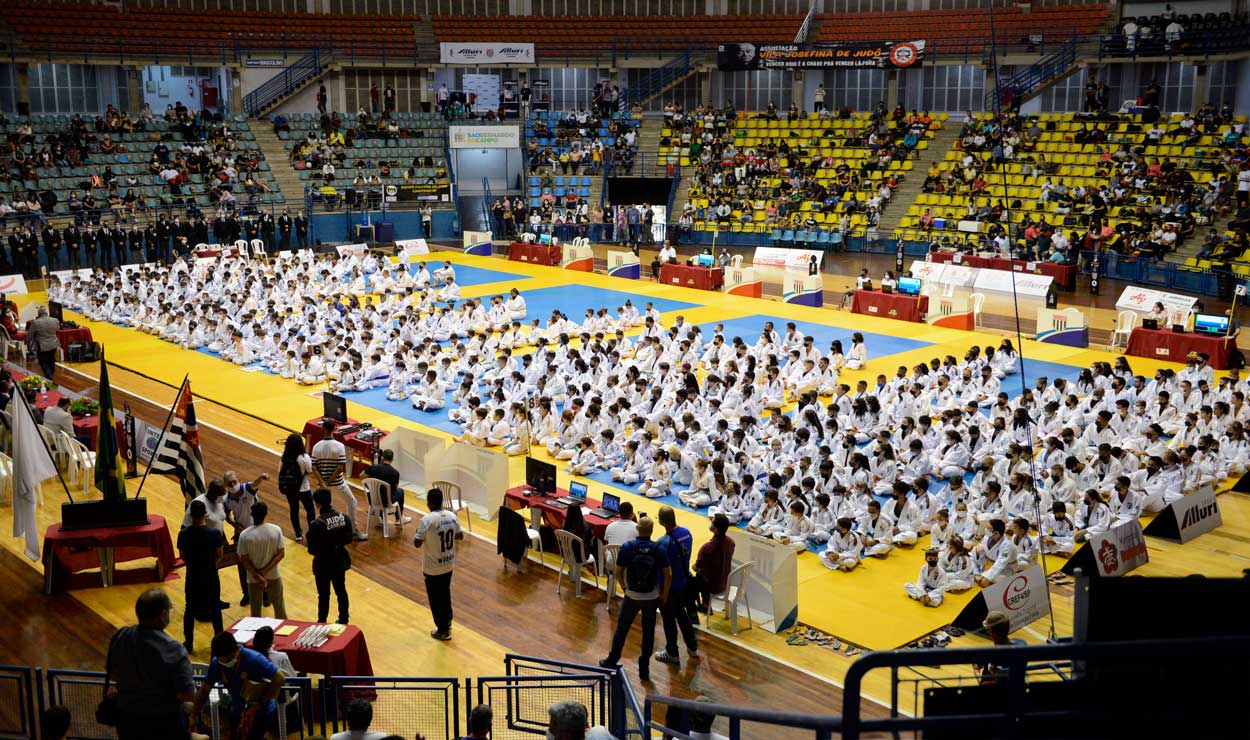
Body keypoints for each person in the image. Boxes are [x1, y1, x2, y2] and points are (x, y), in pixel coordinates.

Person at [105, 589, 201, 739]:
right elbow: (187, 694)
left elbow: (113, 674)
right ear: (163, 615)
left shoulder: (121, 636)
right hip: (164, 726)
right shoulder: (174, 649)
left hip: (127, 721)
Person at [600, 516, 670, 682]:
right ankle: (644, 668)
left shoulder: (628, 547)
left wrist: (625, 588)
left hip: (632, 595)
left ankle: (612, 660)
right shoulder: (658, 549)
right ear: (652, 531)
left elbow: (618, 571)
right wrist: (663, 595)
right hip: (651, 597)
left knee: (621, 629)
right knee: (648, 632)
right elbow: (668, 575)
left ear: (638, 529)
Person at [193, 632, 286, 740]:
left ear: (236, 649)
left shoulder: (254, 659)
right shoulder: (216, 664)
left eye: (229, 658)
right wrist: (193, 714)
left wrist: (261, 702)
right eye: (221, 659)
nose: (225, 662)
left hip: (260, 712)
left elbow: (279, 678)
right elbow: (205, 690)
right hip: (237, 710)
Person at [176, 499, 226, 654]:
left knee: (189, 609)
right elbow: (220, 554)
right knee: (215, 609)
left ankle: (189, 642)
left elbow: (182, 556)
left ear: (190, 515)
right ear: (206, 514)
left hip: (192, 576)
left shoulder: (183, 534)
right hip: (210, 575)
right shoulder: (214, 533)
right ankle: (220, 641)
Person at [414, 488, 464, 640]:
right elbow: (460, 536)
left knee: (435, 599)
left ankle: (442, 630)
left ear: (428, 503)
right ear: (441, 501)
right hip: (448, 564)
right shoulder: (452, 516)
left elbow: (417, 543)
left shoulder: (426, 520)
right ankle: (447, 621)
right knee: (445, 593)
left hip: (433, 568)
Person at [654, 506, 698, 665]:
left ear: (661, 521)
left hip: (670, 588)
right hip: (684, 583)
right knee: (682, 615)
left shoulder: (663, 543)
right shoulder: (686, 533)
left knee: (668, 620)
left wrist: (663, 595)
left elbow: (667, 574)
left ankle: (672, 652)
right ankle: (693, 647)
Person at [312, 418, 365, 540]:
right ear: (334, 429)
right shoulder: (339, 446)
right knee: (352, 502)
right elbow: (340, 468)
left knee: (324, 507)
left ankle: (323, 532)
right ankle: (353, 530)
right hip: (338, 483)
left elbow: (314, 468)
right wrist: (330, 481)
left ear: (322, 429)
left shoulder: (316, 447)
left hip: (322, 484)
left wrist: (323, 482)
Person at [306, 487, 353, 624]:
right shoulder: (344, 517)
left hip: (323, 563)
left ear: (317, 504)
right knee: (341, 591)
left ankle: (322, 622)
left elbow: (312, 550)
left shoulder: (316, 524)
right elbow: (349, 539)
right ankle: (344, 619)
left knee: (324, 595)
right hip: (339, 559)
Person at [238, 500, 287, 619]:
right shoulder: (276, 530)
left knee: (255, 612)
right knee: (279, 609)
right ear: (266, 513)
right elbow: (281, 554)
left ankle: (258, 636)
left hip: (253, 579)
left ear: (251, 514)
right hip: (274, 575)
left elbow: (243, 559)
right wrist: (264, 572)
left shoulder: (245, 535)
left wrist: (257, 575)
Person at [691, 513, 735, 613]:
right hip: (726, 581)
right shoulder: (731, 542)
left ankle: (704, 605)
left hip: (713, 585)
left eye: (712, 522)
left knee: (692, 579)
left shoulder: (707, 548)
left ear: (716, 529)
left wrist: (697, 567)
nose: (710, 523)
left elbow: (695, 567)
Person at [278, 433, 316, 542]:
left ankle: (298, 533)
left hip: (290, 489)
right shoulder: (304, 457)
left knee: (294, 510)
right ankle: (312, 533)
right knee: (310, 509)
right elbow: (309, 471)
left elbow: (279, 472)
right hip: (303, 488)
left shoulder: (284, 458)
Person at [364, 448, 413, 528]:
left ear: (382, 457)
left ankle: (379, 515)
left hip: (371, 499)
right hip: (386, 502)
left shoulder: (374, 467)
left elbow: (361, 476)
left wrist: (369, 487)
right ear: (392, 459)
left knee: (379, 491)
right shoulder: (395, 473)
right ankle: (398, 518)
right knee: (400, 491)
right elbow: (395, 488)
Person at [28, 305, 60, 380]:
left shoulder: (35, 322)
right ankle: (50, 376)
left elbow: (30, 334)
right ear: (47, 313)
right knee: (51, 360)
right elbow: (57, 329)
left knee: (43, 361)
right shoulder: (55, 320)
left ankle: (49, 377)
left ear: (38, 314)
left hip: (42, 346)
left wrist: (26, 341)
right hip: (54, 344)